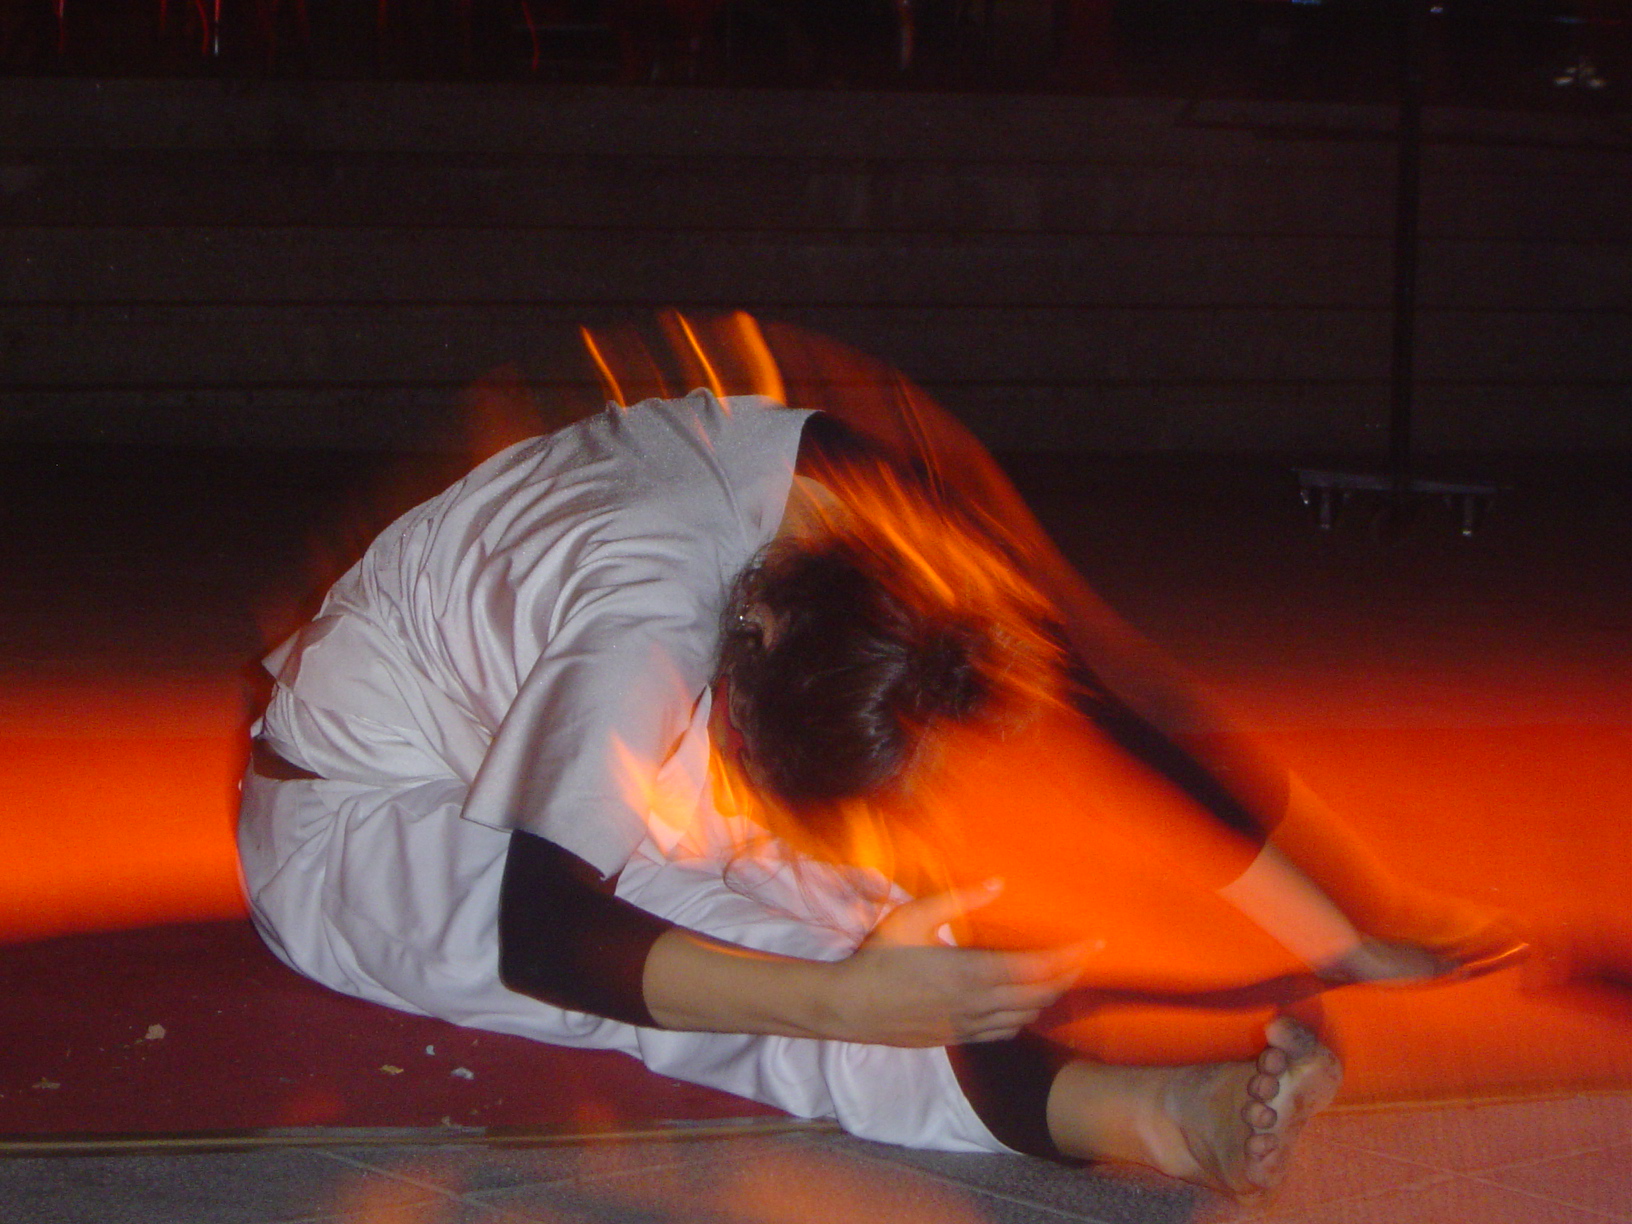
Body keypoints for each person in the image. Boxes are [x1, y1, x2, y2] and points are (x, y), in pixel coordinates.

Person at [239, 386, 1510, 1200]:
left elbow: (1101, 700)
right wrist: (835, 998)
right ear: (750, 637)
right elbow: (545, 933)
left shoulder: (887, 520)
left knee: (888, 919)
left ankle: (1086, 1082)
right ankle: (1150, 1115)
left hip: (553, 704)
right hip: (358, 813)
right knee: (746, 962)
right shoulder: (644, 616)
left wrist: (1337, 931)